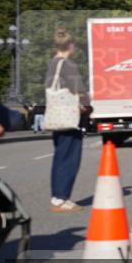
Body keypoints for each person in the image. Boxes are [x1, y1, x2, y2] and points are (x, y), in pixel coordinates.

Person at [45, 29, 89, 212]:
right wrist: (87, 105)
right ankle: (61, 198)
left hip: (57, 117)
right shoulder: (68, 65)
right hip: (69, 117)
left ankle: (57, 195)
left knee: (59, 156)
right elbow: (78, 89)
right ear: (70, 45)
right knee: (70, 158)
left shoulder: (52, 64)